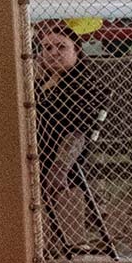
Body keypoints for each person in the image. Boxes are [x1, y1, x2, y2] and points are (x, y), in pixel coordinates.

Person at [33, 22, 103, 217]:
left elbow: (77, 133)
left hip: (60, 162)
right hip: (33, 153)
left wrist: (60, 168)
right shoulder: (41, 84)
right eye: (47, 48)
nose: (53, 52)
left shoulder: (83, 86)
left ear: (77, 51)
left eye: (61, 46)